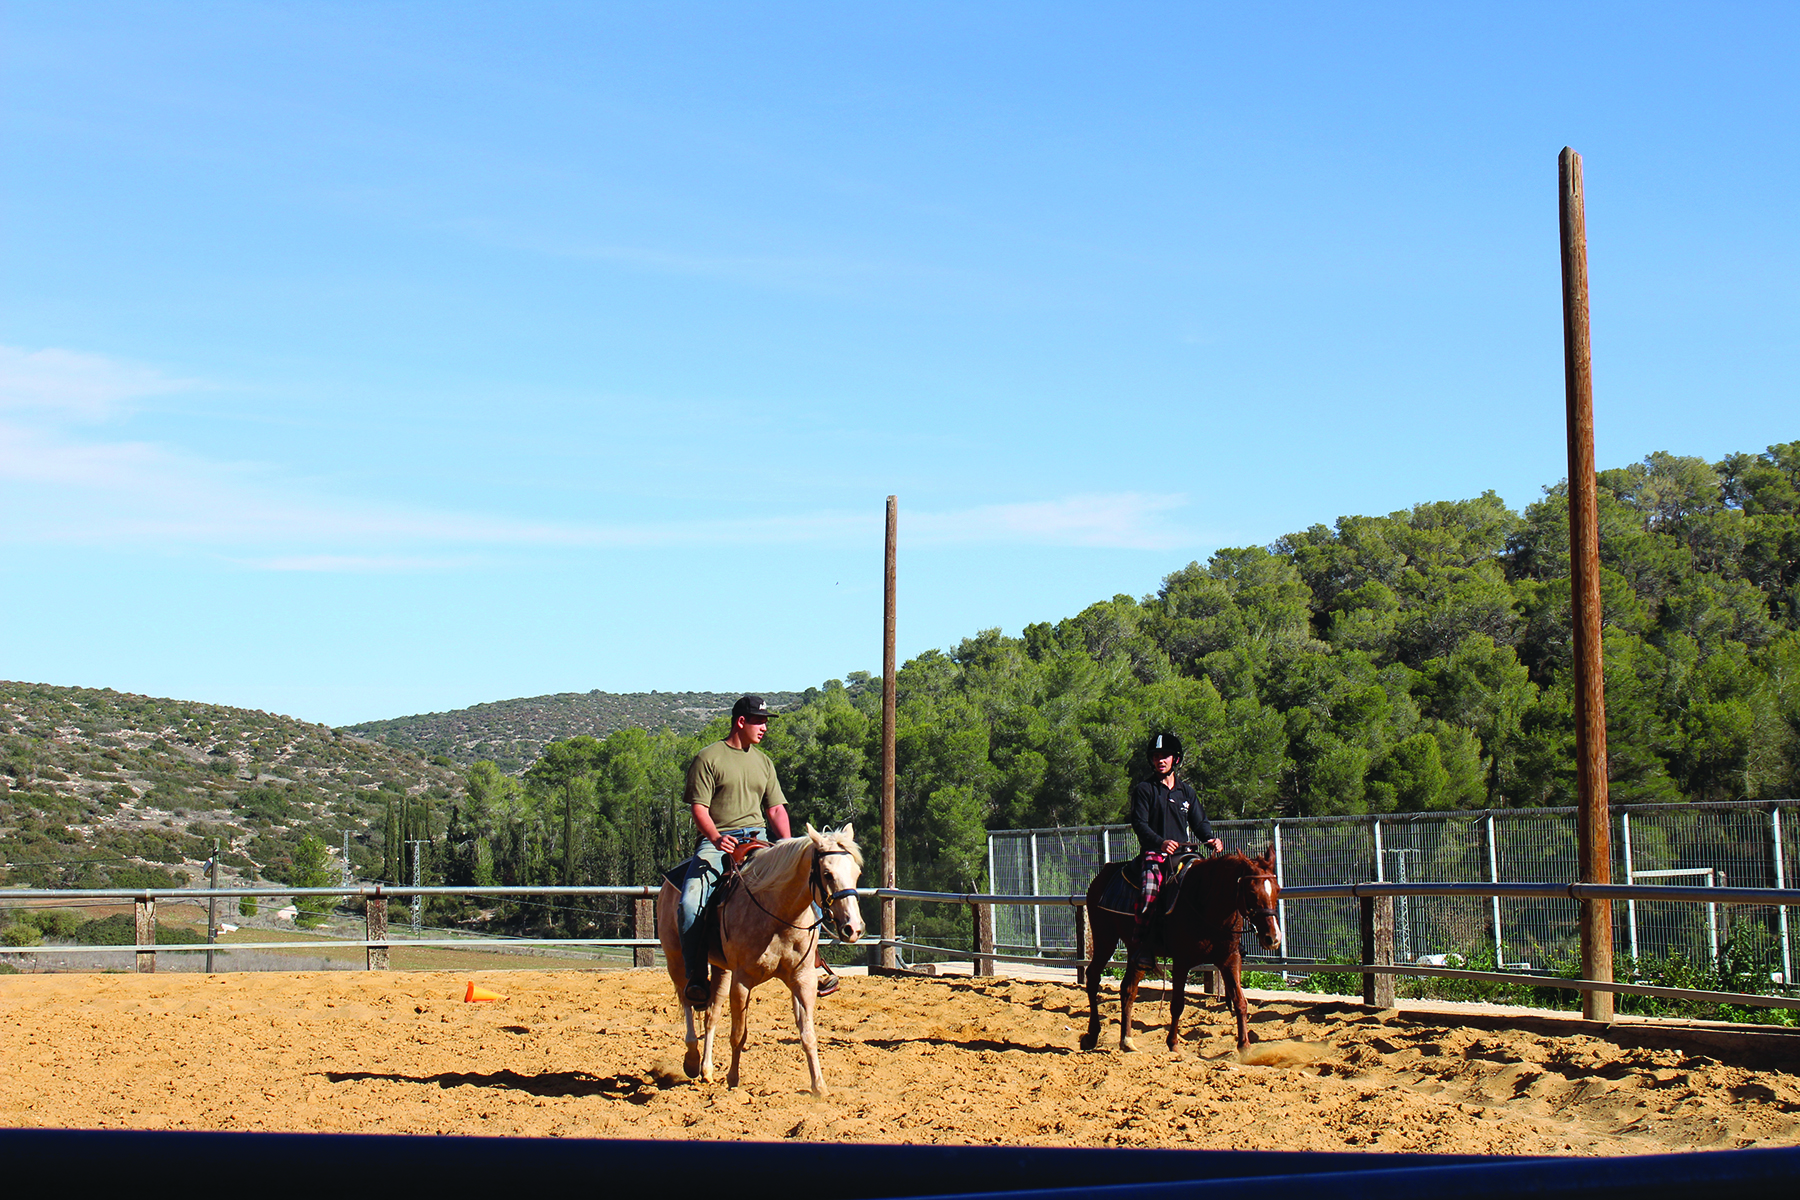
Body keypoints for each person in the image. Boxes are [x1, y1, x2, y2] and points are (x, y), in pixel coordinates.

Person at [677, 695, 838, 1005]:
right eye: (759, 721)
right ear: (741, 722)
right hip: (719, 840)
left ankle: (814, 961)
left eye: (765, 721)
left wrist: (790, 847)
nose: (764, 727)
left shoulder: (763, 762)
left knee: (804, 884)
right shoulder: (708, 758)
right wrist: (714, 838)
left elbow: (776, 809)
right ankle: (697, 975)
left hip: (758, 839)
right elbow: (699, 809)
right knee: (689, 901)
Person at [1128, 731, 1223, 941]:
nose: (1160, 760)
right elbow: (1139, 824)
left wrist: (1211, 840)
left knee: (1215, 886)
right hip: (1155, 855)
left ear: (1176, 759)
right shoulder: (1144, 790)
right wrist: (1161, 843)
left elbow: (1199, 823)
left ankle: (1224, 939)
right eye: (1156, 756)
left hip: (1186, 855)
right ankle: (1142, 943)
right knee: (1149, 893)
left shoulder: (1186, 792)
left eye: (1165, 756)